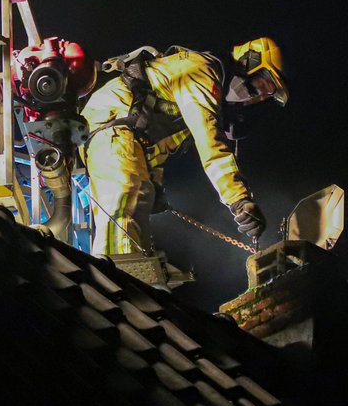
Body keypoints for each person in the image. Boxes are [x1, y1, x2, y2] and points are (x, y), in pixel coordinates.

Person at [79, 37, 287, 255]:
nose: (259, 96)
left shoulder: (203, 92)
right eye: (264, 83)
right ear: (249, 62)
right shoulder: (201, 71)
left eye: (269, 93)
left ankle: (129, 267)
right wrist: (239, 199)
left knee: (138, 208)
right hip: (112, 126)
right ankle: (116, 266)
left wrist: (153, 180)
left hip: (118, 136)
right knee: (126, 198)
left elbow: (155, 143)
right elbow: (209, 140)